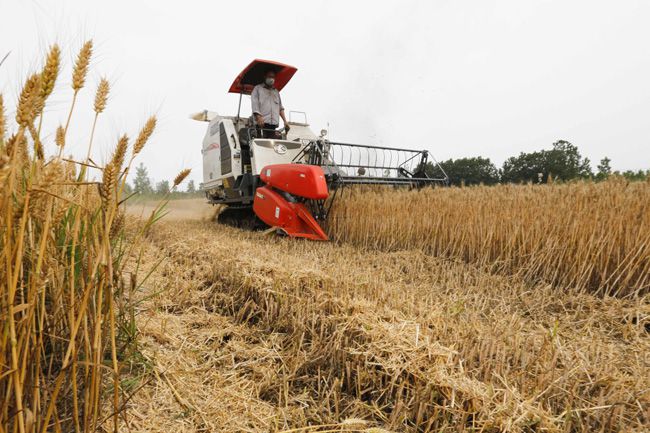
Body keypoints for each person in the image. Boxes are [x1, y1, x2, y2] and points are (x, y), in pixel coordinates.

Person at [251, 69, 290, 138]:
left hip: (273, 125)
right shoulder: (257, 89)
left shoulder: (276, 92)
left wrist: (285, 121)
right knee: (261, 144)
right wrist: (258, 117)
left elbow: (280, 108)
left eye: (273, 77)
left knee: (272, 145)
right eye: (269, 76)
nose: (271, 79)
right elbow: (255, 104)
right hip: (261, 124)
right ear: (265, 77)